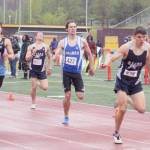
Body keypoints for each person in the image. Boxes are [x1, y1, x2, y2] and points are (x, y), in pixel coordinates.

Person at [109, 26, 150, 144]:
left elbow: (148, 64)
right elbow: (115, 56)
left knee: (141, 109)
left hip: (135, 82)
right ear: (134, 37)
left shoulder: (148, 48)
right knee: (122, 109)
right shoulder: (126, 47)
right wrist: (106, 62)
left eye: (144, 37)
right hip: (122, 80)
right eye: (139, 37)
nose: (142, 39)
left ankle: (125, 98)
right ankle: (116, 133)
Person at [54, 20, 94, 125]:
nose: (73, 29)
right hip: (66, 72)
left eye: (74, 27)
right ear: (67, 29)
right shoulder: (63, 42)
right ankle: (66, 116)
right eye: (71, 27)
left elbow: (90, 54)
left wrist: (91, 67)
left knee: (80, 96)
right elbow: (57, 51)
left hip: (77, 72)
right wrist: (56, 55)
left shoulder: (82, 41)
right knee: (67, 96)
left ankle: (76, 88)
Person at [26, 32, 52, 109]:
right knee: (33, 87)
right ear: (36, 37)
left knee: (45, 87)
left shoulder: (46, 47)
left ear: (43, 37)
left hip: (42, 70)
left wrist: (49, 67)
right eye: (39, 35)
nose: (40, 36)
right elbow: (27, 59)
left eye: (42, 35)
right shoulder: (31, 47)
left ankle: (37, 83)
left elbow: (50, 57)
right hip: (33, 69)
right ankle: (33, 103)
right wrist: (33, 54)